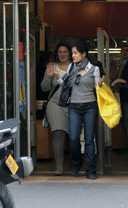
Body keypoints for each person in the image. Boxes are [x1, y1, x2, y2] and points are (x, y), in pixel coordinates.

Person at [54, 43, 103, 180]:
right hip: (74, 107)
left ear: (83, 54)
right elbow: (65, 85)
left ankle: (91, 170)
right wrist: (58, 76)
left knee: (89, 140)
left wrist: (100, 84)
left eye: (75, 53)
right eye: (72, 53)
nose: (72, 55)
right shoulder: (71, 67)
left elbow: (97, 87)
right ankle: (76, 165)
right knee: (74, 138)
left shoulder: (94, 69)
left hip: (89, 106)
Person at [40, 42, 72, 175]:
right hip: (55, 104)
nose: (63, 54)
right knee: (58, 134)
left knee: (74, 137)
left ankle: (75, 165)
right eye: (60, 52)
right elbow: (44, 88)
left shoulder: (76, 67)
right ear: (56, 54)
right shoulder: (52, 67)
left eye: (65, 51)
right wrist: (48, 75)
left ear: (70, 53)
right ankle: (59, 166)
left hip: (73, 105)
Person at [114, 45, 128, 153]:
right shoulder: (122, 65)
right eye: (123, 50)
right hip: (122, 97)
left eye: (127, 51)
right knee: (124, 122)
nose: (125, 53)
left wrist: (123, 85)